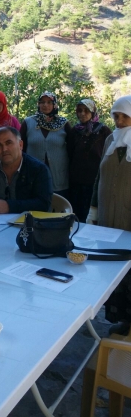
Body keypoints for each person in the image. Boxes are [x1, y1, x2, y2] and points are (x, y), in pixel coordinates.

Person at [87, 95, 131, 336]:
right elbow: (99, 178)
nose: (120, 120)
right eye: (116, 116)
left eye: (125, 115)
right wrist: (93, 211)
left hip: (128, 219)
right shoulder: (110, 141)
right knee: (112, 269)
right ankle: (121, 318)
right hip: (107, 218)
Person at [0, 126, 53, 214]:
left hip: (28, 225)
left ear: (20, 145)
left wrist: (9, 206)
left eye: (8, 143)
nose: (4, 149)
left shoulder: (39, 169)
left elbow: (44, 204)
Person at [67, 99, 111, 222]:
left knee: (93, 217)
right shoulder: (74, 131)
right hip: (77, 182)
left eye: (86, 110)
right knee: (77, 216)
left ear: (93, 112)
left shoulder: (103, 131)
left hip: (96, 181)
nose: (82, 114)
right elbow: (70, 154)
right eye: (79, 111)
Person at [20, 91, 71, 197]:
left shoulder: (64, 124)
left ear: (54, 104)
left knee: (58, 210)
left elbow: (72, 149)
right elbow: (20, 149)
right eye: (42, 102)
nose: (45, 105)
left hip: (59, 178)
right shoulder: (28, 122)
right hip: (33, 177)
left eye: (49, 102)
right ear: (38, 104)